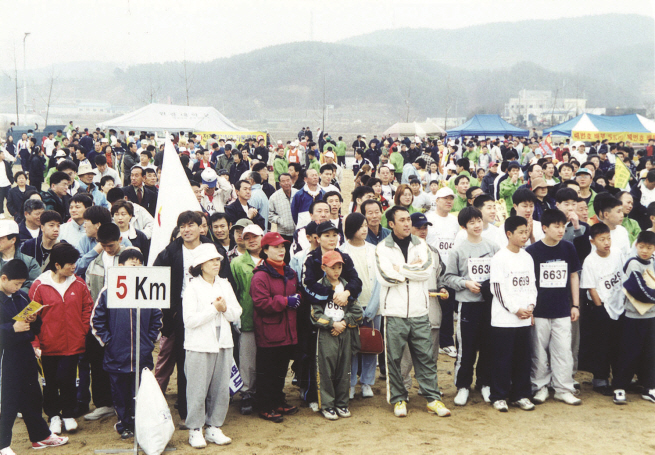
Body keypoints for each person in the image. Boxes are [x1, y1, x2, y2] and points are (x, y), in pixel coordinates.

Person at [374, 206, 450, 418]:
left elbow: (426, 271)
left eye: (408, 219)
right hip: (394, 312)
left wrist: (400, 268)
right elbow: (384, 277)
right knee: (395, 358)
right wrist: (410, 269)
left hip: (419, 311)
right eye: (402, 220)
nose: (407, 223)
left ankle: (433, 398)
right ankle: (399, 399)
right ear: (391, 224)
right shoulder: (382, 248)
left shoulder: (422, 245)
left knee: (426, 357)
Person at [90, 249, 162, 439]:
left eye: (139, 263)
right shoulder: (109, 291)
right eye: (132, 263)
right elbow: (96, 321)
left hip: (142, 354)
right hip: (117, 355)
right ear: (120, 267)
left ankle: (140, 423)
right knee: (120, 393)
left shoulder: (148, 289)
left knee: (140, 391)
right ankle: (124, 423)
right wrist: (108, 341)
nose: (136, 267)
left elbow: (157, 317)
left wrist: (150, 339)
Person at [153, 211, 217, 426]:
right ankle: (185, 408)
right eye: (182, 226)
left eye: (191, 225)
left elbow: (223, 278)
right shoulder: (169, 252)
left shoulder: (211, 249)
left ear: (201, 227)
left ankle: (208, 407)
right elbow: (157, 283)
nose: (186, 230)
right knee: (184, 362)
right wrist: (169, 312)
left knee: (208, 359)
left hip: (209, 309)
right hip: (180, 313)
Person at [0, 260, 69, 453]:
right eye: (16, 283)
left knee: (32, 396)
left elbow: (36, 328)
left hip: (24, 353)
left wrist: (34, 319)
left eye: (21, 283)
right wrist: (11, 329)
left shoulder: (21, 296)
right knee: (8, 400)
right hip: (5, 357)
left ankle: (40, 437)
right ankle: (2, 444)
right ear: (4, 278)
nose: (19, 287)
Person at [29, 243, 94, 435]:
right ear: (57, 265)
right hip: (47, 345)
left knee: (67, 380)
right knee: (50, 381)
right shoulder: (39, 286)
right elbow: (31, 318)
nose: (74, 266)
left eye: (74, 263)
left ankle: (68, 414)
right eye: (70, 264)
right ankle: (53, 415)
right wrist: (35, 342)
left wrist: (81, 331)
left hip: (72, 344)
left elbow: (87, 308)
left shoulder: (79, 283)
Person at [181, 244, 240, 448]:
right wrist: (214, 309)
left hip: (223, 342)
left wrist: (224, 310)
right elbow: (189, 320)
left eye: (217, 260)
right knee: (197, 389)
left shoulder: (225, 284)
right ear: (200, 264)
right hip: (199, 344)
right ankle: (195, 429)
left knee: (221, 388)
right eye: (211, 260)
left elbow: (236, 312)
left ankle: (214, 427)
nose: (216, 263)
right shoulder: (192, 287)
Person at [443, 207, 499, 406]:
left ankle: (484, 384)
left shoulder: (493, 247)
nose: (477, 225)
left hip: (490, 305)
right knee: (466, 348)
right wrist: (466, 283)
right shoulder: (458, 250)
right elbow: (448, 277)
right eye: (472, 222)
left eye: (479, 221)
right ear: (464, 226)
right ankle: (463, 386)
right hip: (467, 305)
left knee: (488, 346)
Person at [526, 209, 582, 406]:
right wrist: (530, 309)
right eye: (556, 226)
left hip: (562, 309)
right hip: (540, 310)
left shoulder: (568, 248)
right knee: (538, 352)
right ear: (544, 228)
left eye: (563, 226)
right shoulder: (532, 252)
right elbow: (527, 283)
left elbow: (574, 276)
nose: (560, 230)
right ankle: (539, 387)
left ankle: (563, 388)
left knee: (563, 350)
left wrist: (575, 304)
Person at [489, 216, 537, 412]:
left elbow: (532, 285)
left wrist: (531, 306)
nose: (525, 235)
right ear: (509, 234)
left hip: (524, 319)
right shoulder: (499, 258)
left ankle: (521, 394)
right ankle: (499, 396)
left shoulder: (527, 257)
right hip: (504, 320)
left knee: (522, 358)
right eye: (521, 232)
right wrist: (515, 309)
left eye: (526, 231)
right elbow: (498, 290)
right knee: (502, 359)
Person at [250, 232, 300, 423]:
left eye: (283, 247)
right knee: (267, 371)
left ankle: (278, 401)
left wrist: (297, 299)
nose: (281, 250)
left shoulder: (289, 271)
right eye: (276, 247)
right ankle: (265, 406)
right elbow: (261, 303)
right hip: (269, 332)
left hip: (287, 331)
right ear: (265, 250)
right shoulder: (260, 275)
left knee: (280, 369)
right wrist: (286, 301)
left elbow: (297, 293)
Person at [310, 250, 363, 420]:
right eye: (333, 267)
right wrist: (333, 324)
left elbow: (358, 311)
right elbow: (314, 314)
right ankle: (327, 405)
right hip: (327, 334)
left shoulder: (347, 286)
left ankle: (342, 403)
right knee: (326, 369)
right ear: (323, 267)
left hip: (345, 332)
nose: (336, 271)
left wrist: (345, 322)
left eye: (339, 267)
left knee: (344, 367)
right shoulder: (319, 286)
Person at [579, 223, 624, 396]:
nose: (606, 242)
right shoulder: (590, 261)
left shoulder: (618, 253)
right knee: (601, 346)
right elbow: (591, 288)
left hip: (619, 305)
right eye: (602, 239)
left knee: (618, 345)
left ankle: (619, 379)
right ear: (593, 241)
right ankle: (600, 379)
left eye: (608, 238)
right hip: (601, 308)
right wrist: (601, 310)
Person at [612, 230, 655, 404]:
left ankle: (649, 386)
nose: (645, 250)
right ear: (636, 245)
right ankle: (620, 387)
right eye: (642, 246)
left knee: (651, 354)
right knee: (629, 353)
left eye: (649, 247)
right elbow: (639, 290)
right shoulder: (632, 264)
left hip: (651, 318)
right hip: (633, 318)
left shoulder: (653, 262)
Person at [340, 213, 380, 399]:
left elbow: (380, 280)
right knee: (352, 347)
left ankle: (367, 382)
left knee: (370, 344)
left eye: (365, 225)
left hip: (372, 304)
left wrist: (373, 306)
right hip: (351, 306)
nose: (364, 229)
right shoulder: (342, 251)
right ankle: (350, 384)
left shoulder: (375, 249)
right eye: (360, 226)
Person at [230, 224, 264, 415]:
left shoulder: (271, 259)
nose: (251, 240)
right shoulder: (237, 263)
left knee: (266, 358)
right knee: (247, 359)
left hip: (269, 320)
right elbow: (234, 292)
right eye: (247, 237)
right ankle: (247, 393)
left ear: (262, 237)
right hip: (247, 318)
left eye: (255, 236)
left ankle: (264, 391)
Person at [424, 187, 460, 358]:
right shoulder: (429, 219)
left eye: (451, 198)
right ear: (436, 200)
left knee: (448, 307)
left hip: (450, 270)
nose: (448, 201)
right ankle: (435, 341)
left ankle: (446, 342)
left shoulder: (455, 221)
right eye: (445, 198)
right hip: (433, 269)